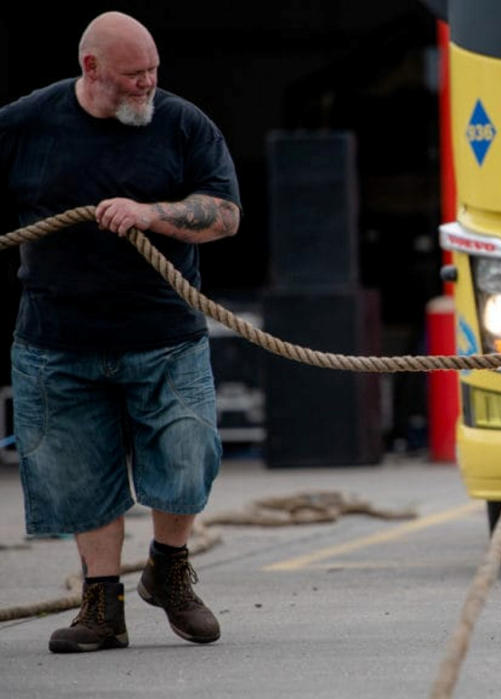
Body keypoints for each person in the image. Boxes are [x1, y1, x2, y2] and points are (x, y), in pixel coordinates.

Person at [0, 12, 241, 653]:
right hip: (57, 341)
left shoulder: (184, 123)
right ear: (91, 70)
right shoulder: (27, 123)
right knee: (79, 478)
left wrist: (151, 212)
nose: (148, 86)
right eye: (134, 77)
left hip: (165, 335)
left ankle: (169, 569)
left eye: (154, 72)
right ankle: (101, 608)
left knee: (189, 458)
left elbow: (224, 215)